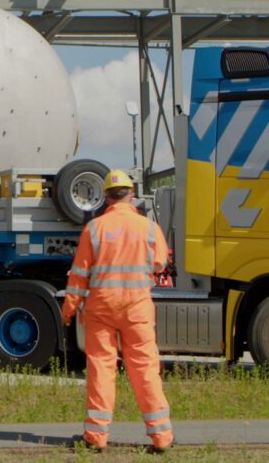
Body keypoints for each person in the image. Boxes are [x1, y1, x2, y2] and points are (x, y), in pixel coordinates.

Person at [61, 170, 173, 452]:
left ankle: (96, 436)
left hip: (102, 307)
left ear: (107, 198)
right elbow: (160, 262)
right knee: (145, 368)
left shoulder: (94, 228)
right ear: (131, 195)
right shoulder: (148, 228)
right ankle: (162, 437)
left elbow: (79, 275)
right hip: (137, 308)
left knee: (101, 368)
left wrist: (68, 310)